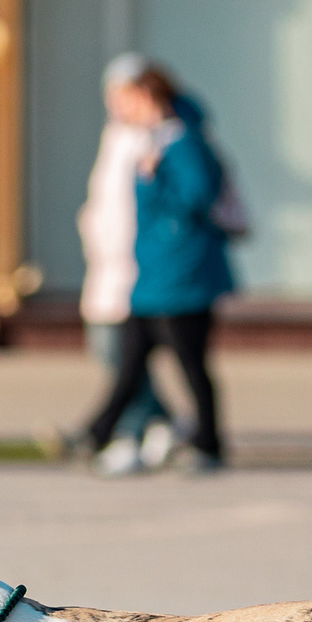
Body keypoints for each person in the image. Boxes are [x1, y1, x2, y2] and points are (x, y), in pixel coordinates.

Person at [78, 61, 234, 473]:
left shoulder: (181, 141)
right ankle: (98, 431)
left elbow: (197, 195)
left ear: (146, 96)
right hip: (150, 276)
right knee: (128, 361)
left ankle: (208, 444)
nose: (117, 107)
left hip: (181, 277)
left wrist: (152, 179)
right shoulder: (144, 140)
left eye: (124, 99)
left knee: (190, 364)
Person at [74, 54, 182, 475]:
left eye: (125, 95)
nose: (117, 104)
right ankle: (164, 423)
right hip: (107, 265)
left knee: (123, 354)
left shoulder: (160, 138)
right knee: (110, 350)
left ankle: (131, 435)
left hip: (136, 266)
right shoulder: (117, 136)